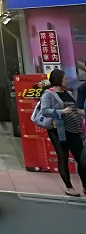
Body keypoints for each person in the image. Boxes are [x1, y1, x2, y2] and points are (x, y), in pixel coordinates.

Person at [39, 69, 86, 197]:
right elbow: (44, 111)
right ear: (58, 79)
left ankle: (85, 185)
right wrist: (61, 112)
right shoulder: (49, 95)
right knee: (63, 156)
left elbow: (76, 108)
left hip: (74, 129)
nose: (67, 81)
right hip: (57, 130)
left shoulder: (69, 93)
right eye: (65, 78)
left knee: (81, 159)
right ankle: (69, 187)